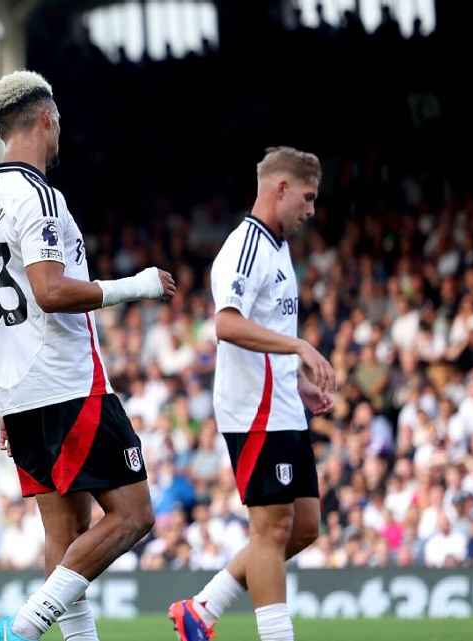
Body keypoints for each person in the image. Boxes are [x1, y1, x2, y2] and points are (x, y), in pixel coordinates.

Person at [0, 70, 176, 641]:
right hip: (67, 384)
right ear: (46, 119)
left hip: (22, 391)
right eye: (58, 121)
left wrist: (4, 402)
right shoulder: (37, 195)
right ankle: (26, 626)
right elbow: (49, 290)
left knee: (66, 539)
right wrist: (135, 286)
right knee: (134, 515)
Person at [169, 147, 335, 641]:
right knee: (270, 533)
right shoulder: (246, 246)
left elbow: (267, 328)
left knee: (305, 527)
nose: (310, 210)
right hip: (254, 409)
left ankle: (202, 608)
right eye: (306, 198)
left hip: (282, 402)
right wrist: (299, 345)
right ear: (280, 188)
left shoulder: (280, 248)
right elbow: (226, 324)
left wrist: (296, 378)